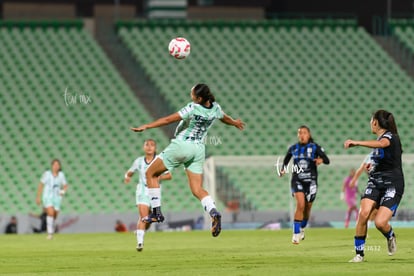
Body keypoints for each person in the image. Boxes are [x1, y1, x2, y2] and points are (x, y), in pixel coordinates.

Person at [130, 83, 245, 237]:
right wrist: (235, 122)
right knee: (197, 189)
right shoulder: (215, 108)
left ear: (198, 98)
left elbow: (168, 120)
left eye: (192, 94)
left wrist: (147, 126)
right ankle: (214, 212)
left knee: (150, 173)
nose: (190, 95)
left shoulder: (193, 107)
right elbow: (224, 118)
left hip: (182, 145)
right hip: (198, 150)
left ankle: (156, 212)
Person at [344, 109, 404, 262]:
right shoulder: (378, 143)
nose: (370, 123)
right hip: (375, 182)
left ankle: (390, 235)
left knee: (380, 223)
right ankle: (359, 254)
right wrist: (372, 168)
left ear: (375, 122)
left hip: (392, 184)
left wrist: (357, 142)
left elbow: (382, 144)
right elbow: (380, 160)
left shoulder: (390, 137)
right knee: (363, 214)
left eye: (371, 120)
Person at [279, 125, 330, 244]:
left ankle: (302, 228)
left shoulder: (315, 147)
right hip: (297, 180)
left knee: (307, 209)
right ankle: (295, 233)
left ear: (309, 135)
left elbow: (327, 160)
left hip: (311, 181)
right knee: (300, 204)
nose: (302, 135)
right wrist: (283, 169)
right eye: (300, 133)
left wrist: (321, 160)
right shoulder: (293, 148)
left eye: (304, 133)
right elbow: (286, 160)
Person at [124, 139, 172, 251]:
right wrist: (127, 176)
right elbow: (130, 172)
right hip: (142, 191)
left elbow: (169, 176)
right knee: (143, 217)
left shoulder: (159, 161)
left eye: (152, 145)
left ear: (155, 148)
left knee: (149, 219)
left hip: (155, 191)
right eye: (147, 144)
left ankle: (141, 231)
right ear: (143, 147)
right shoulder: (139, 161)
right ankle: (140, 242)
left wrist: (159, 177)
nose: (149, 147)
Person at [36, 159, 68, 240]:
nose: (56, 166)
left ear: (59, 166)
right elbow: (41, 185)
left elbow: (65, 185)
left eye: (58, 165)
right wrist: (38, 197)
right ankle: (50, 233)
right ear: (52, 166)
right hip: (47, 197)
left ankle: (50, 227)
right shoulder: (47, 174)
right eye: (54, 165)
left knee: (55, 214)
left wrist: (63, 191)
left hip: (57, 198)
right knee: (50, 212)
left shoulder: (61, 175)